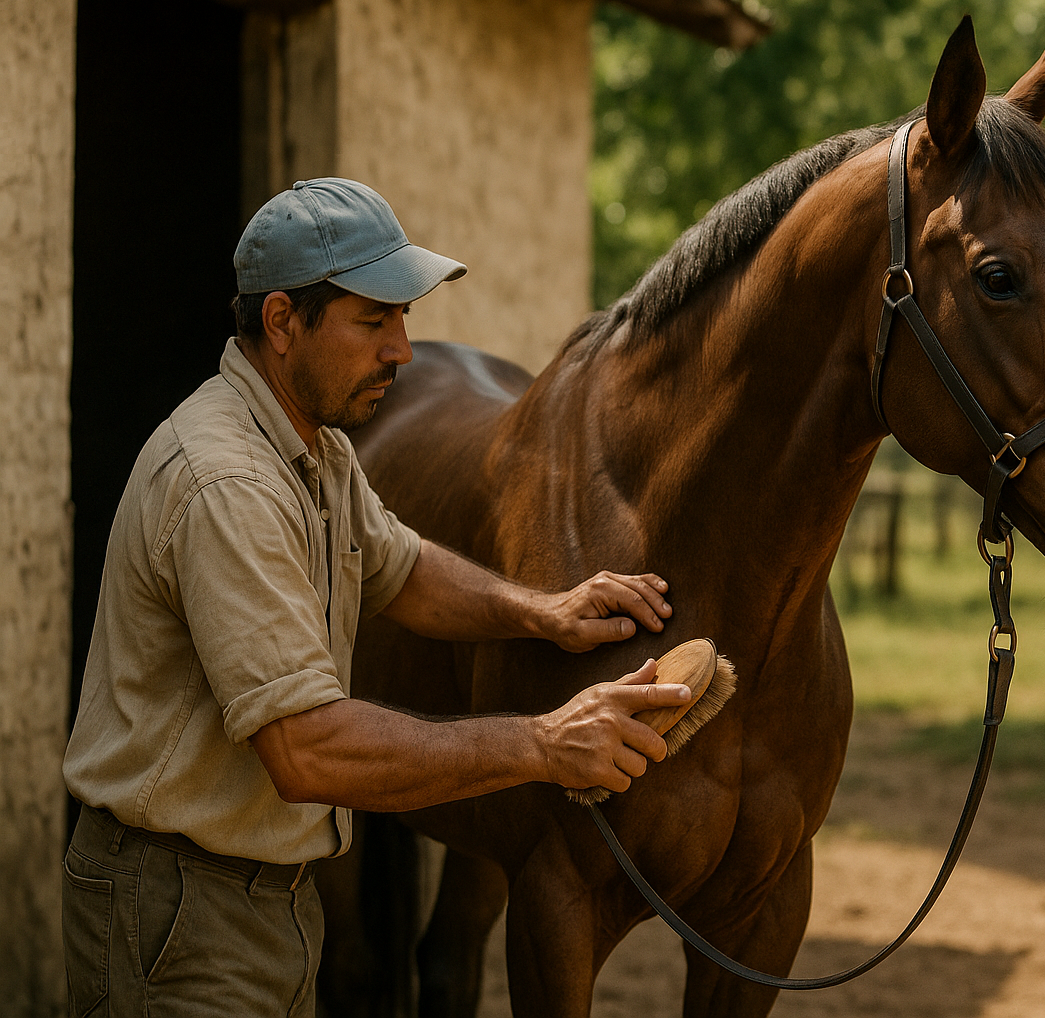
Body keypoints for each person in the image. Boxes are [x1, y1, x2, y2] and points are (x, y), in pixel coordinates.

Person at [59, 177, 689, 1016]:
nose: (403, 351)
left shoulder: (314, 450)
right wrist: (543, 743)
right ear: (282, 322)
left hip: (264, 895)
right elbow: (309, 751)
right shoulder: (227, 484)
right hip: (179, 907)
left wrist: (542, 611)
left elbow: (398, 565)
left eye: (404, 318)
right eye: (373, 321)